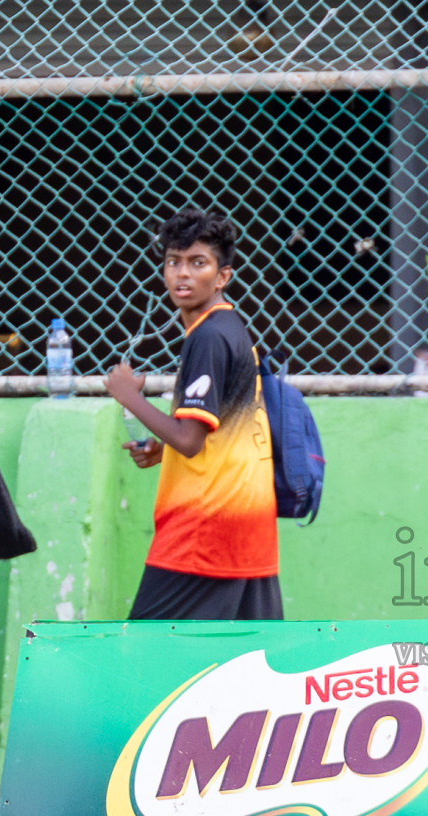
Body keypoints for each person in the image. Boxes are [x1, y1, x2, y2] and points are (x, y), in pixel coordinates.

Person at [104, 210, 281, 620]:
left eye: (198, 263)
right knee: (242, 670)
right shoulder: (229, 328)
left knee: (146, 658)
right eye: (173, 262)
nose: (182, 274)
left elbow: (189, 439)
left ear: (222, 276)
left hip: (206, 532)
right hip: (248, 528)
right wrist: (162, 449)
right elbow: (216, 432)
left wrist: (128, 395)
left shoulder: (209, 336)